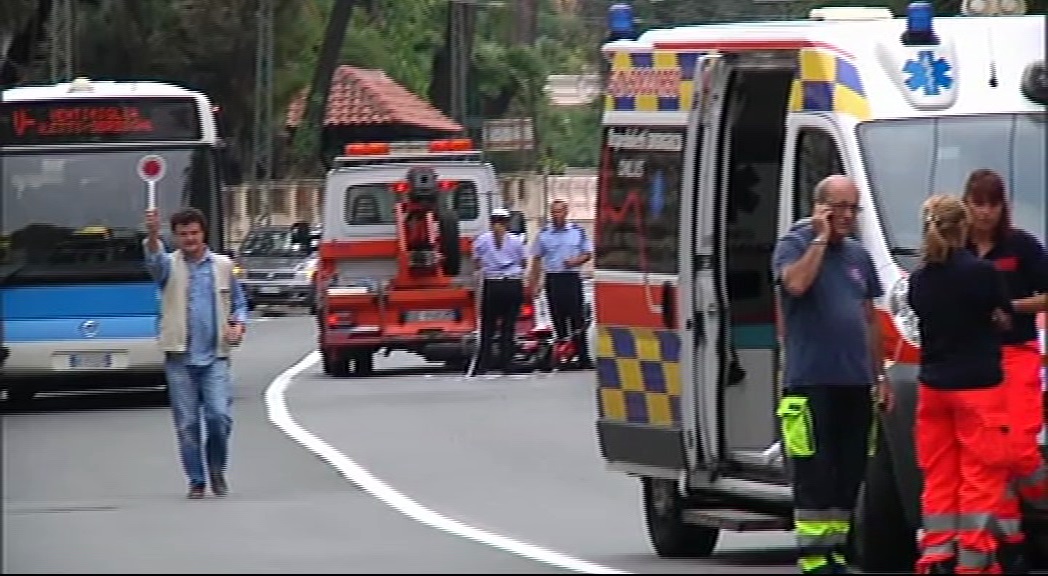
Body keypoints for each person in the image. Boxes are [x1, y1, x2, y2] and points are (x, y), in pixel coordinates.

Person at [771, 174, 892, 574]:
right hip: (810, 383)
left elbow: (869, 318)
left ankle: (835, 552)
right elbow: (797, 284)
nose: (846, 216)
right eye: (838, 207)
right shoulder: (795, 244)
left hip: (855, 384)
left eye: (852, 208)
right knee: (815, 477)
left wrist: (881, 377)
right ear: (819, 207)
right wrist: (820, 239)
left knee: (849, 474)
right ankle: (814, 559)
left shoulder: (858, 256)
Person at [908, 194, 1014, 574]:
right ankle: (974, 560)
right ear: (964, 226)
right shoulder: (982, 273)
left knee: (939, 476)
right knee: (981, 477)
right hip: (978, 388)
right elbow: (1004, 318)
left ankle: (936, 554)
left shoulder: (919, 280)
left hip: (933, 388)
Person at [962, 168, 1048, 572]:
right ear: (966, 204)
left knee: (1019, 448)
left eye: (992, 205)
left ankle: (1042, 500)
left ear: (1002, 207)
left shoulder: (1022, 246)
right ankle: (1010, 542)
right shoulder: (955, 247)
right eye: (978, 204)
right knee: (991, 456)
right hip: (974, 360)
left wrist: (1011, 307)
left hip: (1017, 353)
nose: (984, 213)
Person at [144, 207, 248, 499]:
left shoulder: (223, 266)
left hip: (215, 357)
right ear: (175, 237)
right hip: (180, 359)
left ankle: (217, 467)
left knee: (219, 417)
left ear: (204, 234)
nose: (189, 239)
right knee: (187, 423)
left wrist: (238, 326)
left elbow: (239, 304)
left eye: (194, 233)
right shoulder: (167, 266)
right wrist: (153, 233)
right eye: (183, 234)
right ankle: (196, 479)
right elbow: (153, 259)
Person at [526, 199, 594, 370]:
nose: (556, 215)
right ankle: (564, 356)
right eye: (554, 212)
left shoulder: (577, 232)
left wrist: (576, 261)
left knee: (577, 319)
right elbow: (536, 259)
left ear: (566, 212)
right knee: (558, 318)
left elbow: (588, 253)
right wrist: (534, 284)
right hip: (553, 279)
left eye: (559, 212)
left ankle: (583, 357)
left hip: (571, 278)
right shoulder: (544, 234)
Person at [469, 208, 528, 376]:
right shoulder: (516, 240)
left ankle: (483, 364)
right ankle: (507, 363)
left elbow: (476, 263)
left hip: (493, 285)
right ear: (507, 223)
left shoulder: (482, 240)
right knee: (508, 327)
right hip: (512, 284)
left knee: (488, 326)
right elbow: (523, 262)